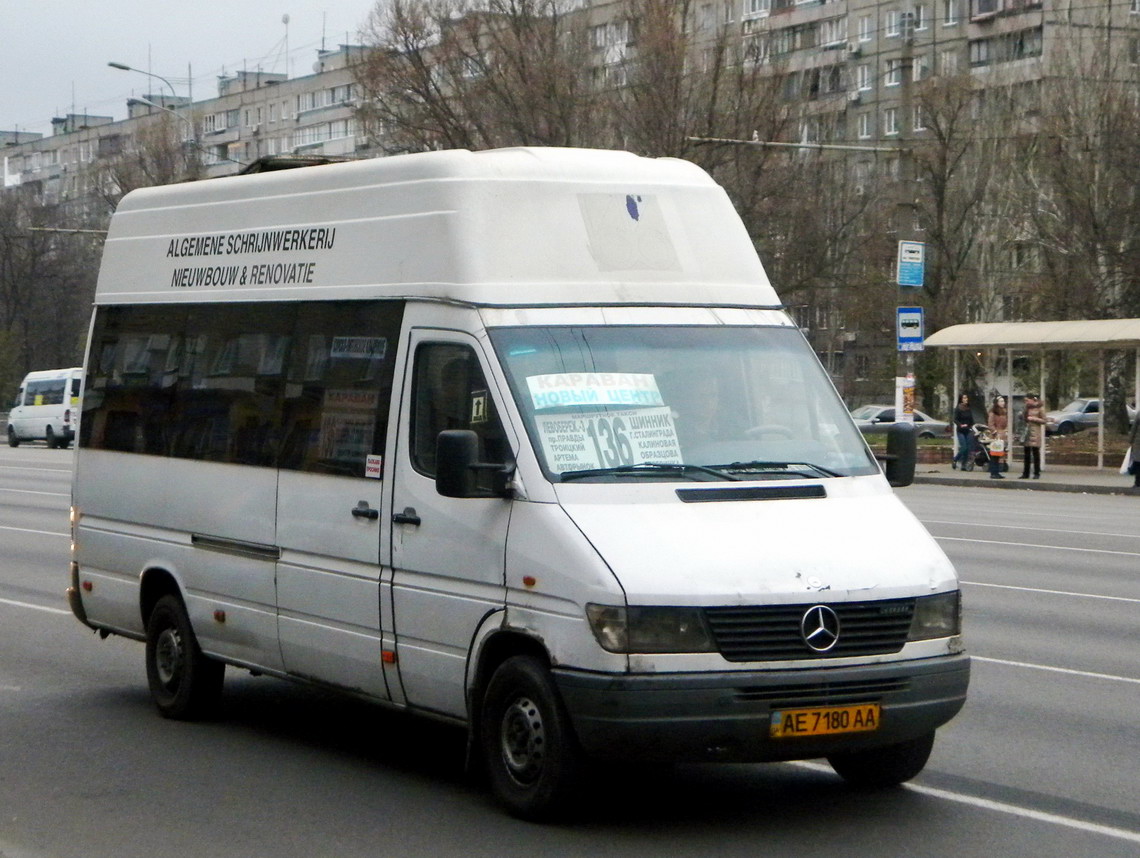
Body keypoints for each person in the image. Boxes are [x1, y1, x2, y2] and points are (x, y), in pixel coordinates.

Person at [1019, 393, 1049, 479]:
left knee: (1035, 453)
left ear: (1032, 399)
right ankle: (1026, 473)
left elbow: (1044, 420)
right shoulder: (1026, 408)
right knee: (1026, 454)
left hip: (1035, 432)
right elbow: (1024, 419)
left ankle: (1036, 472)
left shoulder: (1040, 408)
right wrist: (1022, 414)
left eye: (1027, 400)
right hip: (1027, 432)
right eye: (1025, 401)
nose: (1026, 402)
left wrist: (1034, 419)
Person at [986, 395, 1008, 479]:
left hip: (1002, 434)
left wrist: (1005, 431)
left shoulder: (1004, 412)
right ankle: (993, 472)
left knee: (999, 454)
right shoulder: (993, 412)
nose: (1003, 403)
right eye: (1001, 401)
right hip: (996, 435)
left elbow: (1005, 424)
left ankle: (997, 472)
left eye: (1003, 401)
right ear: (997, 403)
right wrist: (995, 432)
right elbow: (990, 424)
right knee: (994, 454)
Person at [952, 393, 975, 471]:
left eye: (966, 398)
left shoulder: (969, 409)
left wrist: (971, 426)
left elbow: (971, 420)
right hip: (960, 430)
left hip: (968, 430)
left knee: (968, 448)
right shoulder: (958, 409)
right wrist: (960, 425)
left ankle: (963, 464)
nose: (966, 399)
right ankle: (955, 459)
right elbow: (955, 419)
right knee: (964, 447)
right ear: (961, 399)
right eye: (964, 398)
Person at [1128, 414, 1140, 490]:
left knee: (1138, 464)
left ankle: (1137, 483)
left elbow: (1134, 428)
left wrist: (1131, 440)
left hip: (1138, 443)